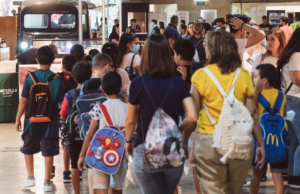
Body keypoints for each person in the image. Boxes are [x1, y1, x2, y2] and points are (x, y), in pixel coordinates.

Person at [191, 30, 265, 194]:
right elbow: (252, 113)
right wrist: (260, 144)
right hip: (239, 140)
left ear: (212, 49)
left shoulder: (200, 76)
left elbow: (193, 116)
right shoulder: (243, 75)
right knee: (234, 190)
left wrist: (190, 145)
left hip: (209, 141)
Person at [125, 34, 197, 194]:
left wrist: (128, 142)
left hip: (144, 148)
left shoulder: (137, 83)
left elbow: (130, 120)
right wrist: (178, 129)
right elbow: (192, 116)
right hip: (171, 151)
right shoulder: (178, 82)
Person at [16, 46, 65, 192]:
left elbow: (23, 100)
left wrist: (18, 118)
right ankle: (47, 182)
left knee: (28, 147)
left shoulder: (30, 77)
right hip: (50, 121)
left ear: (36, 60)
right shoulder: (57, 79)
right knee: (48, 149)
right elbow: (61, 102)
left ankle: (30, 177)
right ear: (53, 60)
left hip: (31, 120)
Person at [78, 71, 128, 194]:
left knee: (101, 187)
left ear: (102, 89)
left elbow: (90, 134)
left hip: (100, 154)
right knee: (117, 188)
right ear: (121, 88)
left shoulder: (99, 108)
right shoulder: (128, 108)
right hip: (120, 155)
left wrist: (81, 155)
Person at [250, 64, 287, 194]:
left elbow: (252, 111)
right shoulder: (281, 95)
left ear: (264, 80)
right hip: (278, 141)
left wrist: (255, 91)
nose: (253, 80)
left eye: (255, 77)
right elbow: (283, 115)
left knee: (257, 174)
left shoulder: (257, 94)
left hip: (261, 142)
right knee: (277, 176)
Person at [59, 62, 92, 194]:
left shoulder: (70, 94)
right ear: (90, 76)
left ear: (75, 78)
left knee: (74, 164)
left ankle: (76, 192)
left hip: (74, 134)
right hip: (90, 134)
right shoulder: (93, 93)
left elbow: (63, 115)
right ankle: (91, 190)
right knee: (90, 165)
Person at [276, 28, 300, 189]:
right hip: (296, 100)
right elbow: (296, 78)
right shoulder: (297, 55)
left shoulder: (290, 54)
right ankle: (297, 176)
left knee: (294, 142)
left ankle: (293, 176)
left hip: (290, 100)